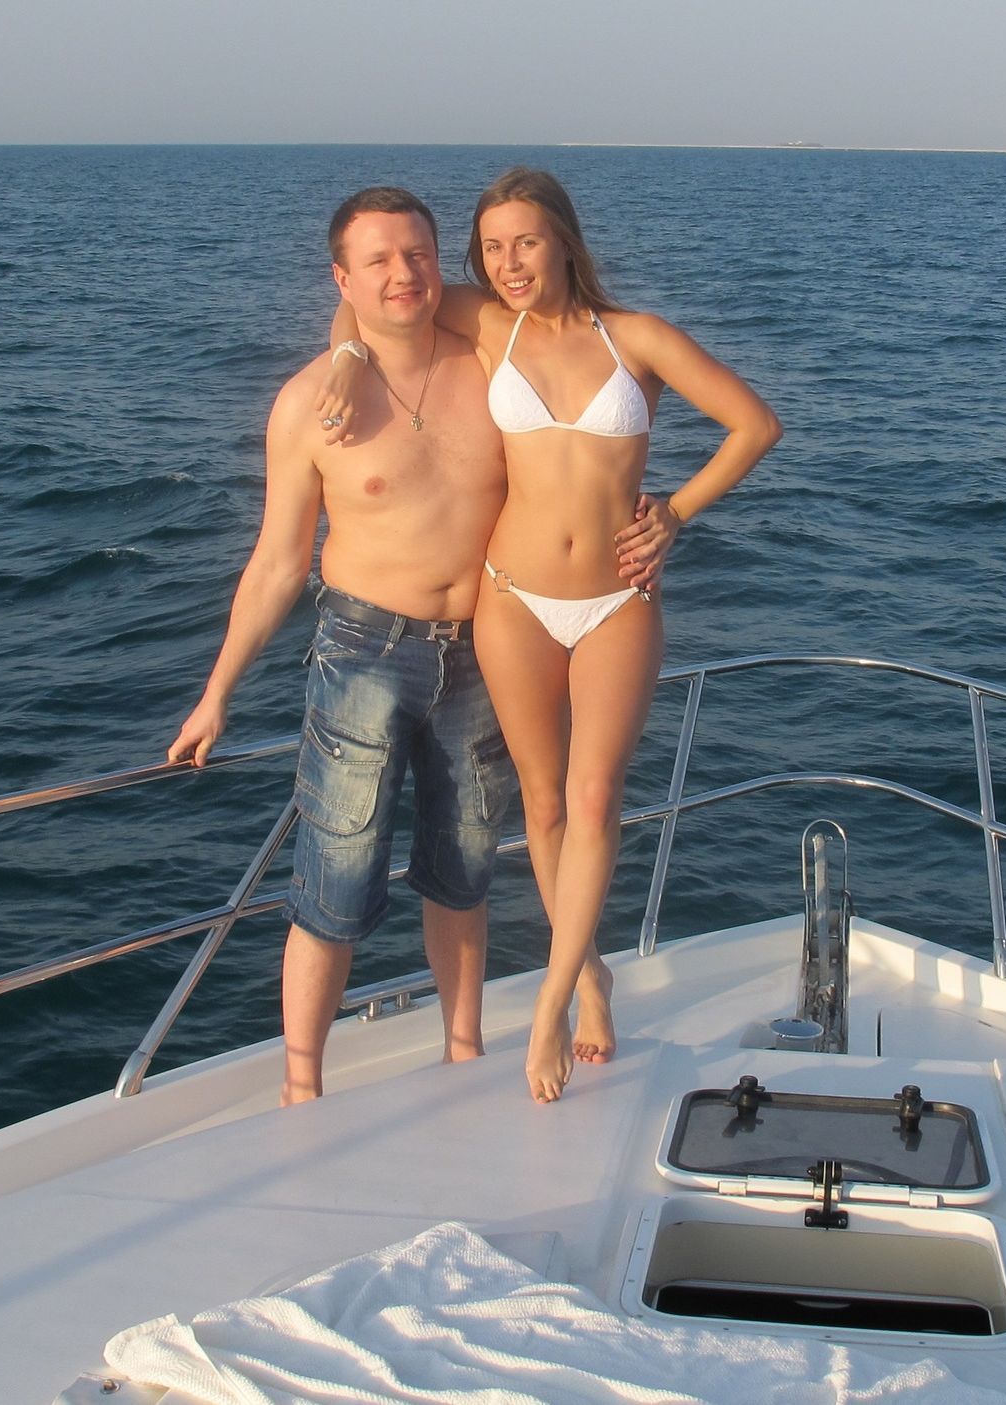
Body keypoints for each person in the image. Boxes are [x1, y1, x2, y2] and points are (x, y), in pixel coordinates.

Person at [319, 168, 781, 1104]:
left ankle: (553, 1000)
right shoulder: (489, 323)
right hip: (513, 596)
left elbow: (753, 424)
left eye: (525, 241)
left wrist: (676, 511)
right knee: (541, 803)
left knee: (595, 795)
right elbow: (369, 305)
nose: (508, 262)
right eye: (490, 248)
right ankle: (592, 971)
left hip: (616, 599)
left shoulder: (637, 338)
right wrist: (345, 361)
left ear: (564, 240)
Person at [168, 187, 514, 1106]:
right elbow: (278, 563)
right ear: (341, 278)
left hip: (486, 650)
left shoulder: (491, 365)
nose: (403, 273)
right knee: (336, 872)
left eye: (418, 254)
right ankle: (301, 1083)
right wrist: (217, 691)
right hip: (364, 649)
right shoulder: (308, 406)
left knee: (464, 870)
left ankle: (465, 1052)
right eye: (378, 260)